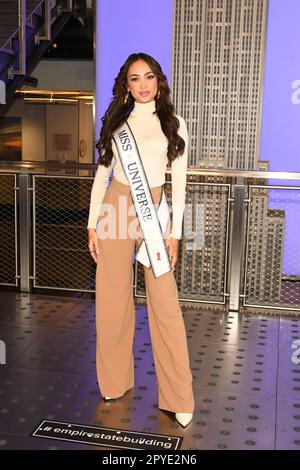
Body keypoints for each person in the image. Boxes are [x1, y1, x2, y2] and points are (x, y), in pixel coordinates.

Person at [87, 52, 194, 427]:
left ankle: (179, 396)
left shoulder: (174, 123)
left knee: (165, 304)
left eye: (149, 77)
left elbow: (178, 184)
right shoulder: (117, 122)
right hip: (115, 207)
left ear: (158, 82)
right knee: (113, 300)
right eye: (135, 79)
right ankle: (115, 381)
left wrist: (175, 233)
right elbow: (103, 175)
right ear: (126, 86)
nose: (144, 84)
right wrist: (91, 224)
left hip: (155, 212)